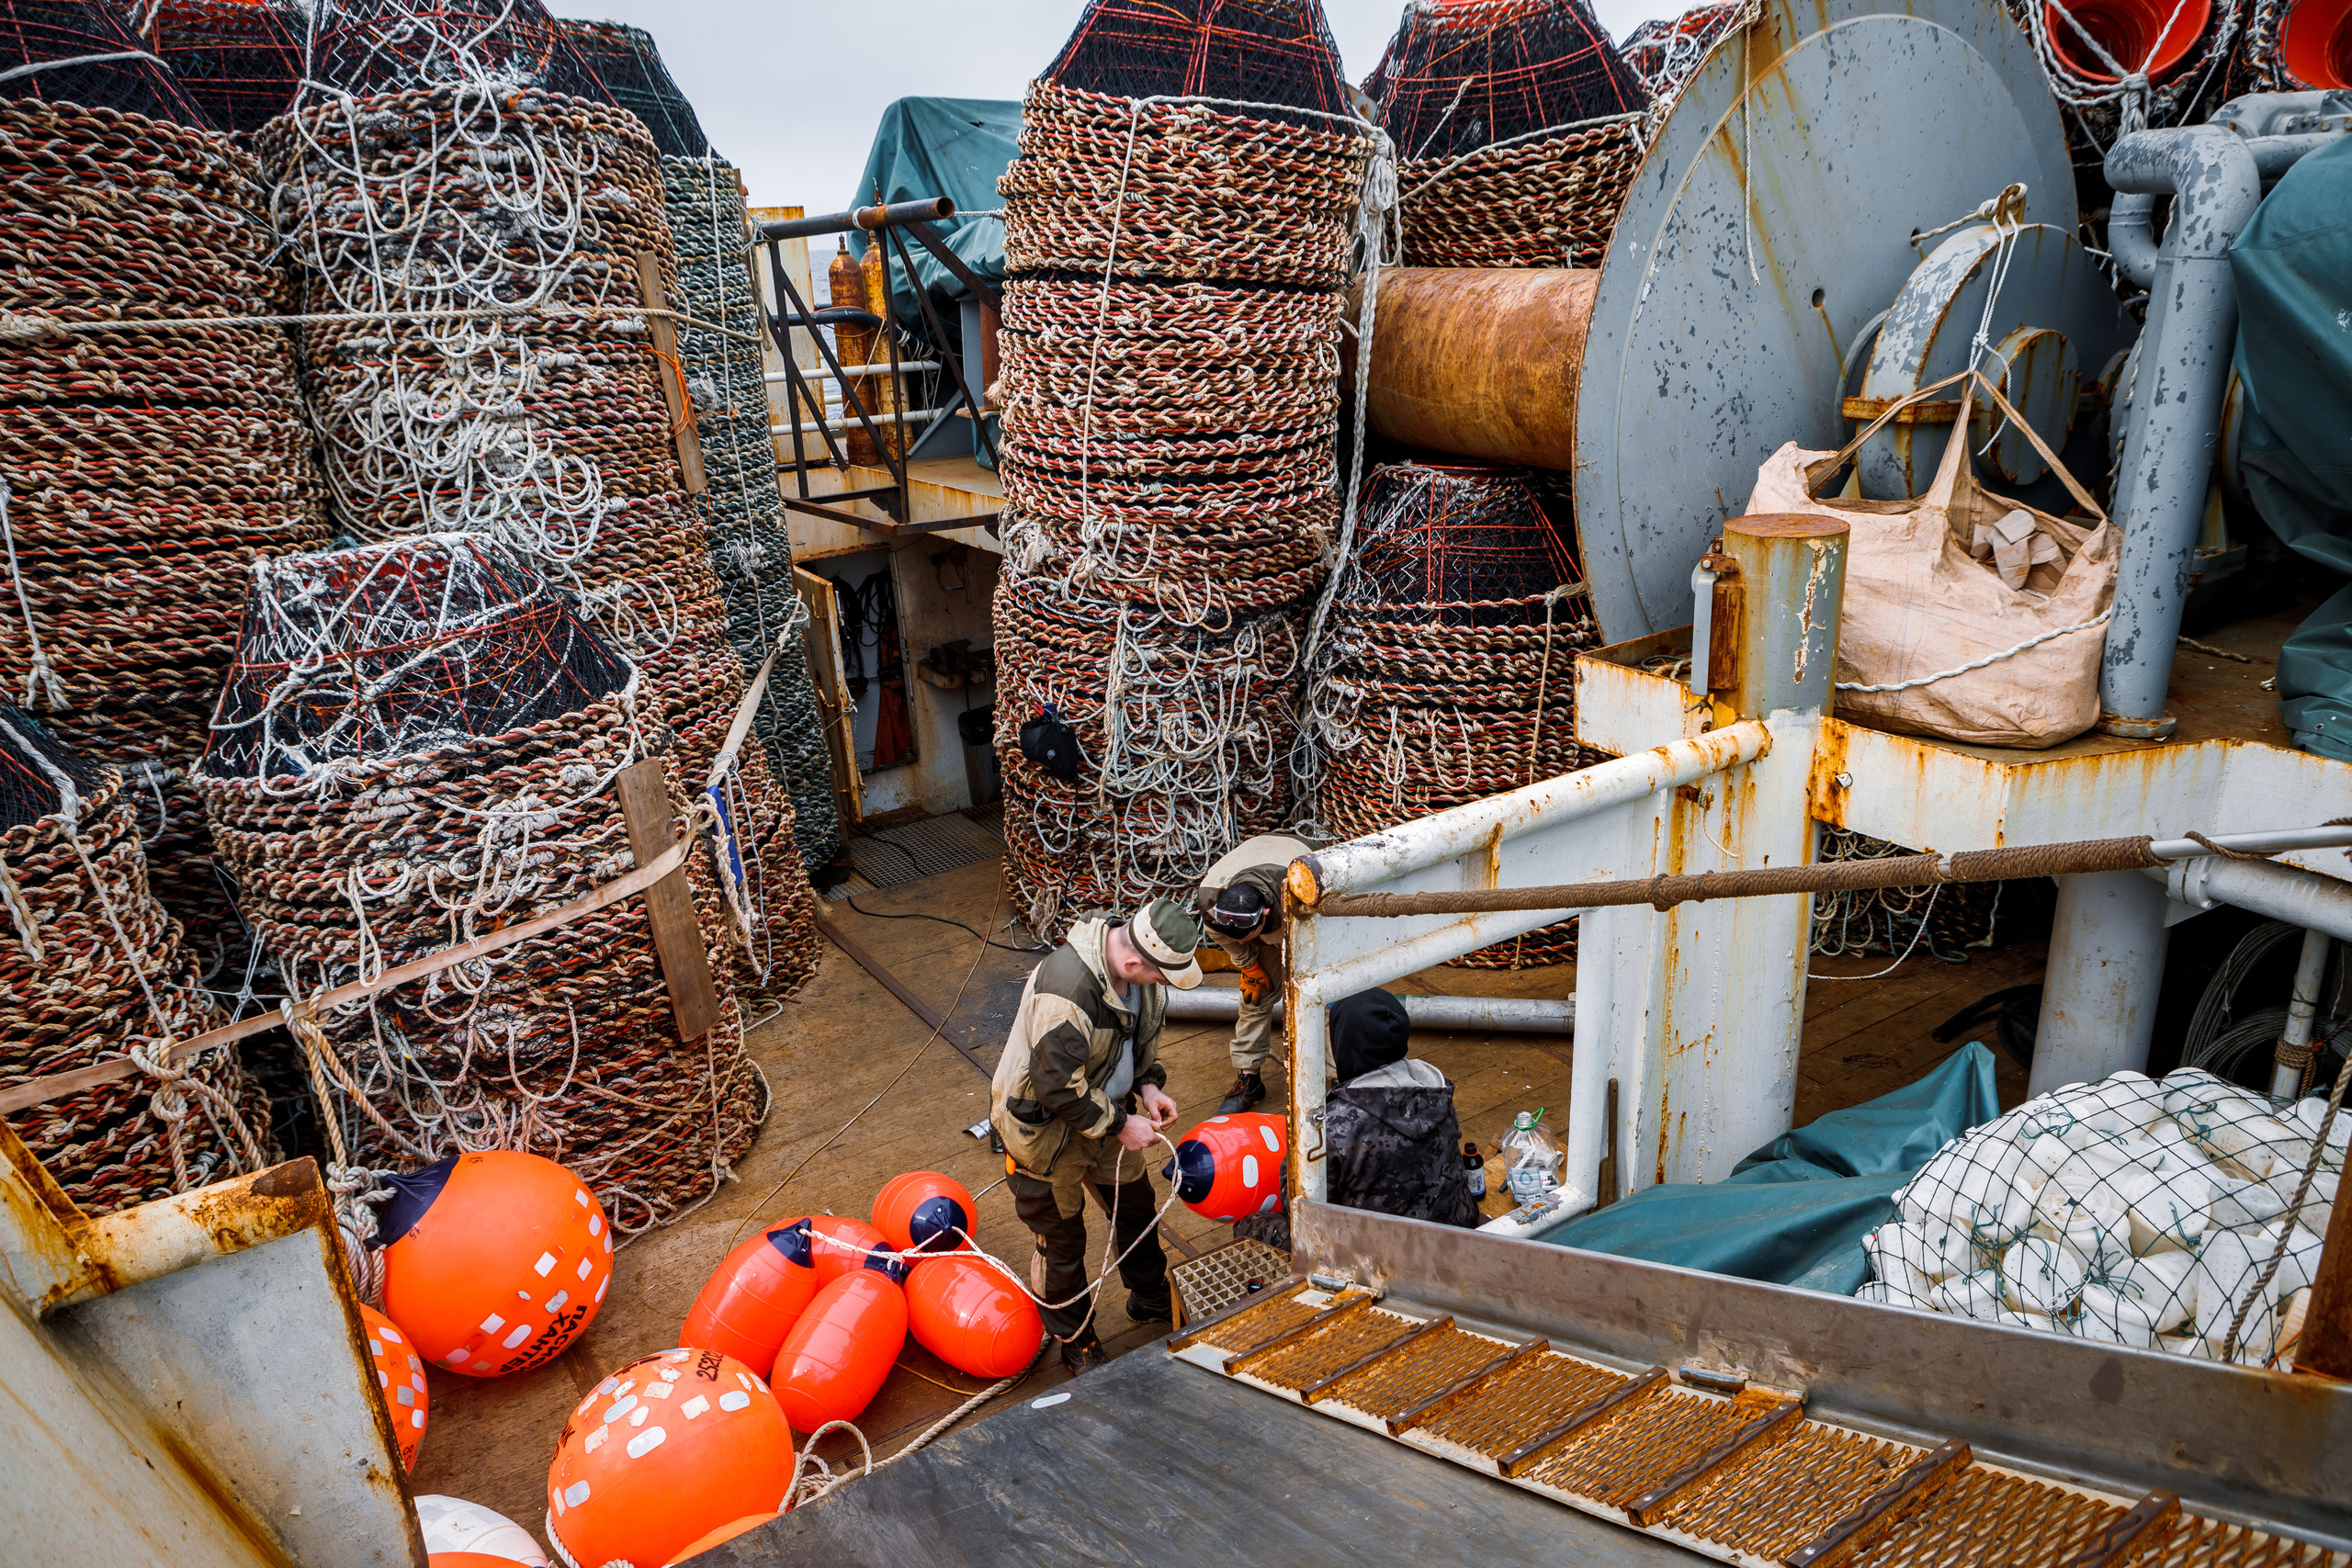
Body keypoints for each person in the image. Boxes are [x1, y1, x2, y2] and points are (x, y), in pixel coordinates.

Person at [989, 896, 1203, 1373]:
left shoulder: (1138, 979)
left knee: (1136, 1212)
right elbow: (1055, 1088)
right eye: (1162, 976)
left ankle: (1149, 1298)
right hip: (1046, 1139)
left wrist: (1148, 1087)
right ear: (1132, 961)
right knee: (1062, 1242)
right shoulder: (1065, 994)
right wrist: (1124, 1124)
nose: (1164, 985)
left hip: (1109, 1122)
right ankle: (1074, 1337)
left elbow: (1138, 1042)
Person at [1233, 987, 1481, 1251]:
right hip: (1455, 1225)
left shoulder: (1332, 1125)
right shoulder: (1437, 1089)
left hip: (1377, 1254)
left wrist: (1291, 1160)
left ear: (1344, 1043)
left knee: (1248, 1225)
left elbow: (1300, 1211)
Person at [1194, 832, 1310, 1114]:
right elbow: (1224, 935)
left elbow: (1324, 942)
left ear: (1266, 913)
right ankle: (1249, 1079)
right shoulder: (1211, 898)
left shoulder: (1302, 896)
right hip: (1265, 906)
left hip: (1309, 922)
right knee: (1254, 997)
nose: (1243, 942)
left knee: (1319, 997)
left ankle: (1334, 1079)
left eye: (1248, 936)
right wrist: (1250, 964)